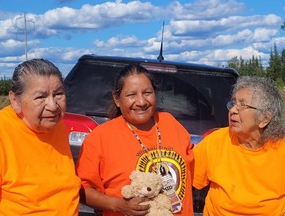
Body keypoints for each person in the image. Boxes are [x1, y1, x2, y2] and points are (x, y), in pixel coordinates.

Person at [76, 64, 194, 216]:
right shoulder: (100, 138)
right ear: (117, 99)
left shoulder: (171, 123)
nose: (141, 102)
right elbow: (81, 190)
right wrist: (117, 205)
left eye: (147, 93)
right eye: (131, 95)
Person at [0, 59, 81, 215]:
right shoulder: (1, 132)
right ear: (15, 101)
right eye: (40, 97)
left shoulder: (56, 125)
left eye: (58, 94)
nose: (53, 106)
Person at [193, 76, 285, 215]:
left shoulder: (281, 147)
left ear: (265, 119)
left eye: (243, 105)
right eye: (233, 103)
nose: (233, 110)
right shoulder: (215, 142)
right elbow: (183, 180)